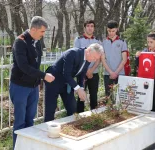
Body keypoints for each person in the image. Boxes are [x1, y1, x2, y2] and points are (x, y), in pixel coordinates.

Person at [10, 16, 55, 148]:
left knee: (30, 120)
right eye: (42, 32)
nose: (43, 35)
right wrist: (43, 76)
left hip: (33, 87)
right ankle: (17, 147)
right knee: (20, 122)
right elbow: (23, 66)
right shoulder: (20, 42)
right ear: (34, 29)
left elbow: (36, 64)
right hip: (20, 86)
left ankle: (27, 146)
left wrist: (38, 81)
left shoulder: (37, 42)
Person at [44, 43, 103, 122]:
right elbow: (66, 74)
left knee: (72, 108)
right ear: (88, 51)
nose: (94, 60)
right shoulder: (73, 53)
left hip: (67, 83)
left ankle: (71, 128)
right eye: (94, 57)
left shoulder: (88, 59)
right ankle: (47, 130)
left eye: (96, 59)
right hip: (54, 80)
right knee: (50, 108)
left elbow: (82, 74)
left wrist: (81, 88)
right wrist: (78, 89)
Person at [135, 31, 155, 112]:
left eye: (151, 42)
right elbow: (138, 65)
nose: (149, 44)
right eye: (148, 42)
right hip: (144, 82)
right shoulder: (145, 51)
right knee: (144, 103)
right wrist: (137, 57)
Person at [74, 20, 101, 113]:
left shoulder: (97, 41)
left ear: (94, 28)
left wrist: (91, 70)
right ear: (84, 27)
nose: (90, 28)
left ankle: (94, 116)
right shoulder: (79, 40)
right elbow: (76, 57)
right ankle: (79, 117)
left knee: (94, 96)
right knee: (81, 96)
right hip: (82, 73)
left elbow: (99, 58)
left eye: (92, 26)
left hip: (94, 73)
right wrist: (86, 71)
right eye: (88, 26)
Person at [101, 20, 128, 96]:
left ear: (117, 29)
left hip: (120, 74)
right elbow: (103, 59)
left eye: (113, 31)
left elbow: (124, 59)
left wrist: (116, 73)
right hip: (107, 74)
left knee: (120, 97)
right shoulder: (103, 42)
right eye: (109, 31)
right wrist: (110, 72)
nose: (111, 33)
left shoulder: (122, 42)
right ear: (107, 29)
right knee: (108, 97)